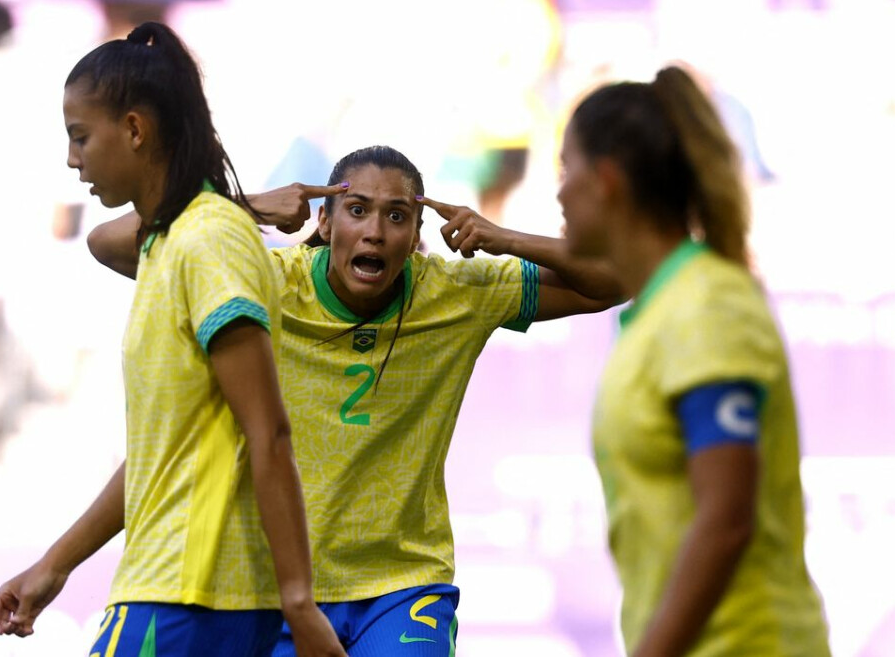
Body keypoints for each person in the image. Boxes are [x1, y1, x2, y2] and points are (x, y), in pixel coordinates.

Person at [87, 144, 622, 655]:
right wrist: (244, 208)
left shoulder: (460, 292)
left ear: (416, 236)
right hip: (277, 589)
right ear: (324, 222)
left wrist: (503, 237)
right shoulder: (264, 280)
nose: (373, 232)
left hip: (401, 588)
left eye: (395, 217)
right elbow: (108, 242)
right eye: (357, 210)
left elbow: (614, 279)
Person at [0, 22, 345, 657]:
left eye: (80, 136)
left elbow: (269, 432)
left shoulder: (210, 240)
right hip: (174, 588)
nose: (73, 159)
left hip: (195, 594)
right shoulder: (171, 242)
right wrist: (55, 566)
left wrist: (299, 602)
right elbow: (164, 453)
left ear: (134, 129)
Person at [558, 65, 831, 656]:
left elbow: (727, 519)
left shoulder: (707, 305)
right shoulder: (658, 312)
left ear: (606, 181)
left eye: (566, 168)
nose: (557, 191)